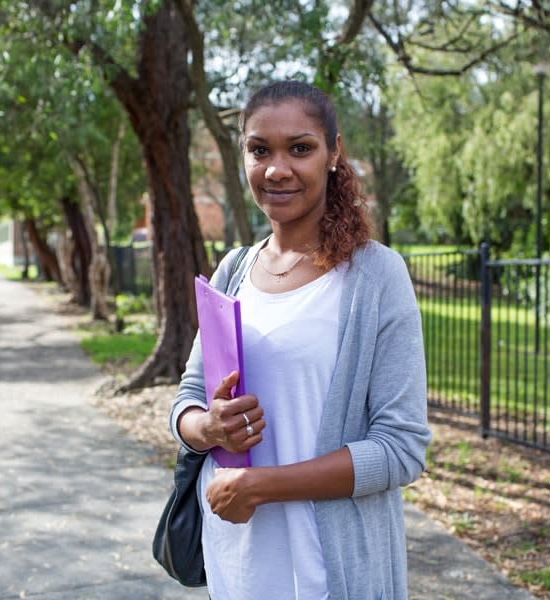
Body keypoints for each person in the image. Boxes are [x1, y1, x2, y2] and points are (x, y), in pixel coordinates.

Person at [169, 80, 431, 600]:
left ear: (333, 154)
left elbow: (401, 450)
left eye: (301, 148)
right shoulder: (234, 271)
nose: (277, 168)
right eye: (259, 149)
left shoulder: (375, 276)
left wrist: (260, 487)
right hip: (238, 561)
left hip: (329, 570)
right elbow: (187, 399)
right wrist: (207, 426)